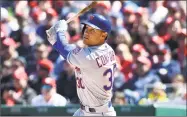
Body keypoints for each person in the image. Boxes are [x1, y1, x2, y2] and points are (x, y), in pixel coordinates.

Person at [47, 14, 117, 116]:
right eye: (86, 28)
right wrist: (55, 41)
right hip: (87, 110)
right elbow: (67, 50)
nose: (86, 32)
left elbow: (66, 50)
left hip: (98, 113)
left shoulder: (90, 56)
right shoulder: (107, 49)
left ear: (103, 35)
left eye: (92, 30)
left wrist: (60, 32)